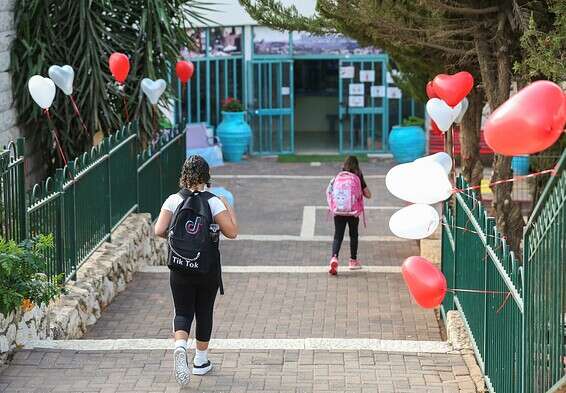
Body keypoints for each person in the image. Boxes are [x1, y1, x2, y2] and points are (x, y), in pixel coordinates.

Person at [154, 155, 238, 386]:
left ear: (184, 175)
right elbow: (232, 232)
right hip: (206, 268)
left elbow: (159, 230)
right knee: (204, 311)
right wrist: (227, 205)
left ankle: (180, 346)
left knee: (182, 311)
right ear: (206, 176)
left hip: (180, 266)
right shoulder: (213, 201)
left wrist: (179, 240)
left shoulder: (173, 199)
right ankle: (201, 362)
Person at [327, 156, 371, 275]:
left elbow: (329, 192)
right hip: (353, 212)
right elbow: (368, 194)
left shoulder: (339, 175)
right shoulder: (358, 175)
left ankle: (334, 257)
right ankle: (353, 261)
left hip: (339, 210)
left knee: (338, 236)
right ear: (356, 165)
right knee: (353, 235)